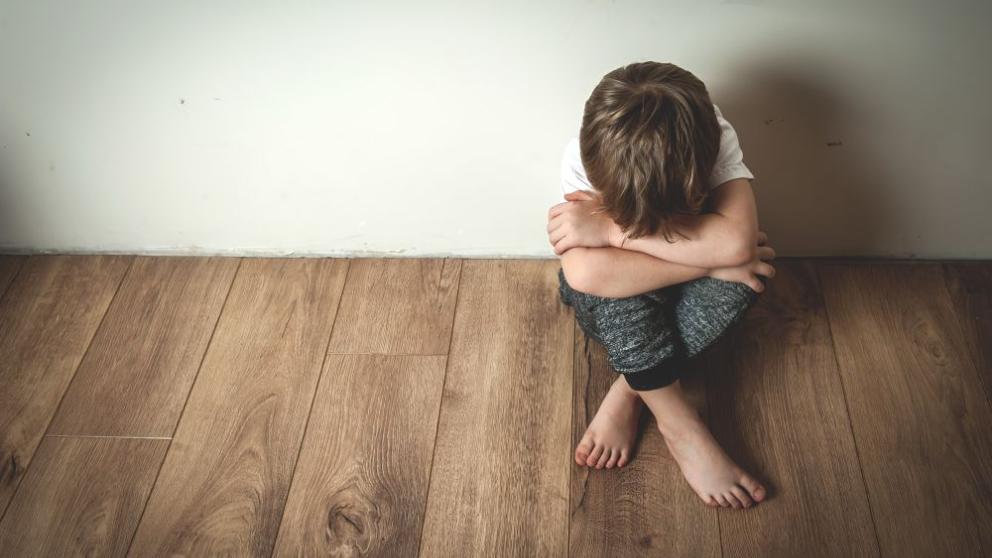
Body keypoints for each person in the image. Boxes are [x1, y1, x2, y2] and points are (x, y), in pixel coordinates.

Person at [546, 61, 775, 510]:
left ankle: (630, 388)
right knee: (615, 298)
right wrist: (708, 264)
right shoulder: (585, 158)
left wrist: (614, 232)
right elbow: (584, 275)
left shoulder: (713, 134)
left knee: (746, 282)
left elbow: (735, 242)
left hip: (674, 284)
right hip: (620, 296)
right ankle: (680, 426)